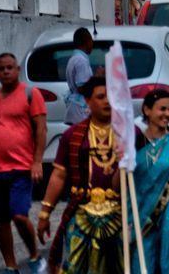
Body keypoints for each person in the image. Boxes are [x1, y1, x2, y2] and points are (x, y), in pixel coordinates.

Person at [38, 76, 124, 274]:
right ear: (87, 100)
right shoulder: (73, 135)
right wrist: (44, 214)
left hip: (122, 214)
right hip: (82, 211)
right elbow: (59, 175)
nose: (107, 101)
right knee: (76, 268)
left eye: (111, 96)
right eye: (101, 97)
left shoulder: (130, 134)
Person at [0, 52, 48, 274]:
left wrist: (37, 161)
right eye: (2, 68)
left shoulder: (31, 94)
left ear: (18, 69)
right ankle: (10, 266)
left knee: (19, 214)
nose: (6, 71)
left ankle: (34, 255)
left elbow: (41, 129)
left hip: (21, 168)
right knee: (0, 220)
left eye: (10, 67)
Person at [64, 27, 94, 126]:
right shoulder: (81, 61)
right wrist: (97, 78)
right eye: (91, 41)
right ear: (86, 41)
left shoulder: (73, 59)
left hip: (75, 108)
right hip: (80, 110)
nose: (92, 44)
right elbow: (82, 88)